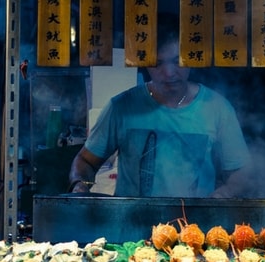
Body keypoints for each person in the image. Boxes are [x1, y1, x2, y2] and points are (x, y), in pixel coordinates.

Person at [68, 14, 251, 198]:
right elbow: (86, 161)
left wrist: (222, 196)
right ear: (144, 62)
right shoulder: (121, 107)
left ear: (192, 57)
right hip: (130, 222)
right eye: (157, 63)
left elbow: (240, 172)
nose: (169, 73)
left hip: (195, 223)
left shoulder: (217, 108)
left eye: (177, 61)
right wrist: (80, 186)